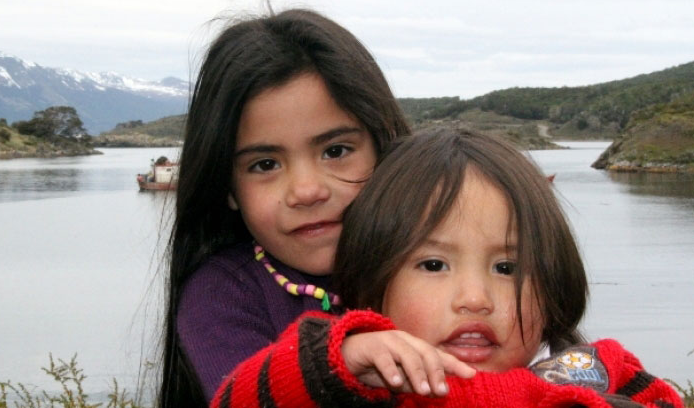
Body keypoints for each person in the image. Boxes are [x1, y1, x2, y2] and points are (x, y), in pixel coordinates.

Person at [212, 129, 683, 407]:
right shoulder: (365, 387)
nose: (475, 298)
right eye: (434, 264)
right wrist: (339, 360)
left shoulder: (593, 371)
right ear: (372, 283)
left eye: (507, 267)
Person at [158, 7, 411, 406]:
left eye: (336, 150)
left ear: (385, 147)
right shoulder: (223, 296)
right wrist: (335, 366)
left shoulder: (444, 262)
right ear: (228, 187)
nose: (306, 190)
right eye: (265, 164)